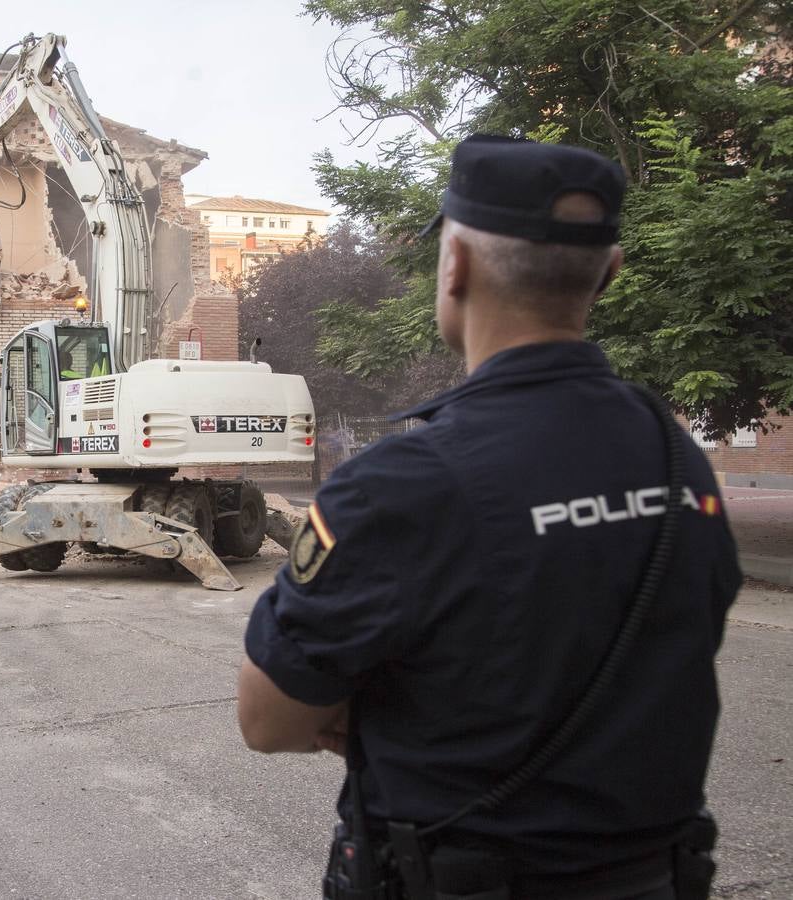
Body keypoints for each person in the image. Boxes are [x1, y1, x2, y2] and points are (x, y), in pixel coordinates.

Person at [236, 136, 740, 898]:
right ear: (609, 272)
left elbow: (268, 723)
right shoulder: (671, 452)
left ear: (455, 265)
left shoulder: (398, 486)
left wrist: (371, 707)